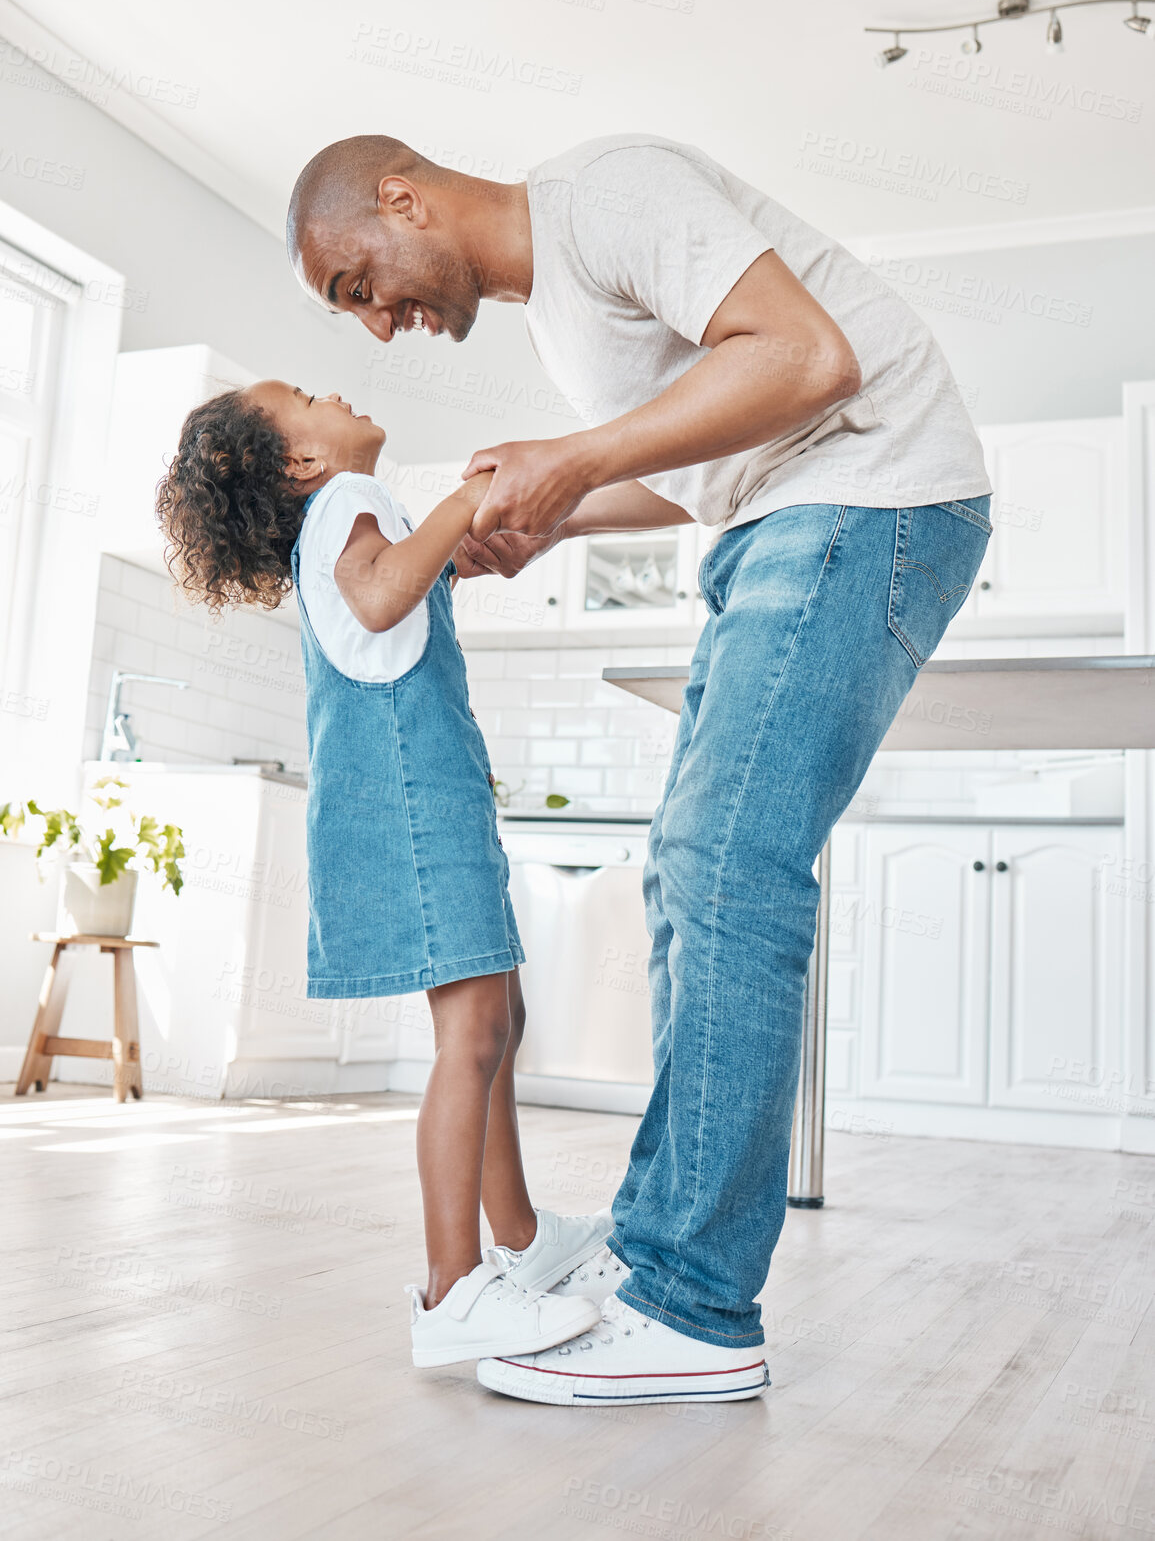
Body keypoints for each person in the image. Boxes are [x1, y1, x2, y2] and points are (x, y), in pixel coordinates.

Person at [285, 133, 994, 1407]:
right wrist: (553, 514)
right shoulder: (563, 310)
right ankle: (668, 1264)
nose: (378, 327)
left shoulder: (604, 196)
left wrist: (581, 458)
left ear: (401, 198)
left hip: (862, 500)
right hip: (794, 510)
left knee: (726, 866)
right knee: (694, 875)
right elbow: (711, 463)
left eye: (357, 282)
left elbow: (807, 359)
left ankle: (695, 1306)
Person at [155, 379, 611, 1368]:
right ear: (303, 464)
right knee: (475, 1032)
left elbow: (385, 602)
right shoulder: (348, 505)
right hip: (417, 801)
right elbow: (375, 593)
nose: (331, 389)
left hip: (430, 795)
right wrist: (461, 503)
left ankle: (523, 1243)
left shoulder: (346, 516)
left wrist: (450, 549)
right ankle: (454, 1289)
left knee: (499, 1023)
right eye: (303, 397)